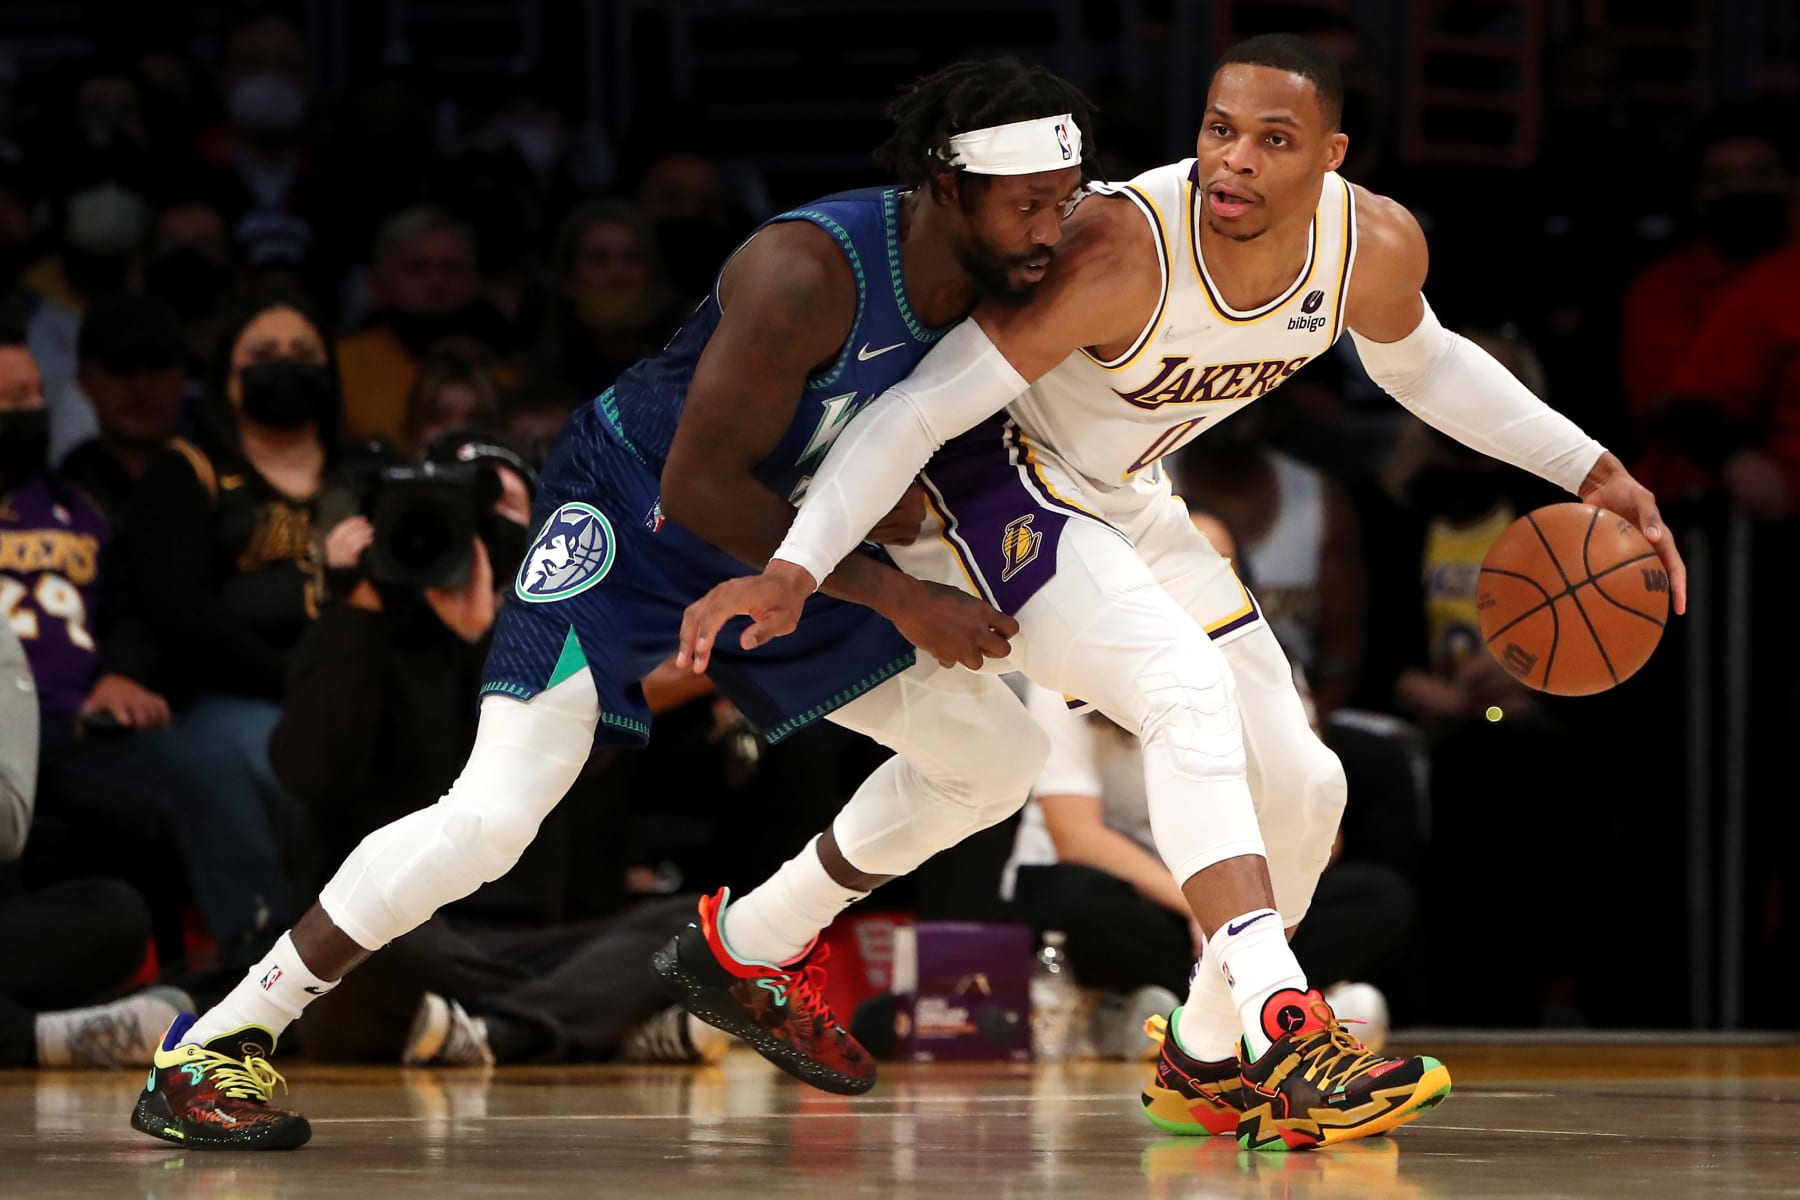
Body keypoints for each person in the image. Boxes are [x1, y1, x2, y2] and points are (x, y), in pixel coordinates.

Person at [681, 34, 1684, 1151]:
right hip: (995, 478)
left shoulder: (1370, 245)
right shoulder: (1122, 248)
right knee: (1180, 690)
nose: (1235, 161)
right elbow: (916, 410)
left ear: (1331, 157)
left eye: (1273, 140)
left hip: (1126, 496)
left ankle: (1205, 1058)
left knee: (1307, 783)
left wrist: (1592, 468)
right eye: (1218, 130)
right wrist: (798, 566)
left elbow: (1425, 365)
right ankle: (1288, 1032)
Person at [130, 57, 1093, 1150]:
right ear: (947, 184)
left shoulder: (1011, 269)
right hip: (636, 513)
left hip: (787, 534)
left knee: (1000, 756)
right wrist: (901, 599)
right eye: (1029, 204)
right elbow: (696, 485)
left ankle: (751, 948)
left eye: (1065, 202)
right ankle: (213, 1044)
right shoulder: (806, 269)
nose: (1052, 230)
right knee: (492, 820)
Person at [61, 291, 188, 520]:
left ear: (183, 375)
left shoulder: (220, 485)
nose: (141, 387)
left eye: (157, 367)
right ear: (85, 380)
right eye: (120, 367)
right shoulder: (58, 493)